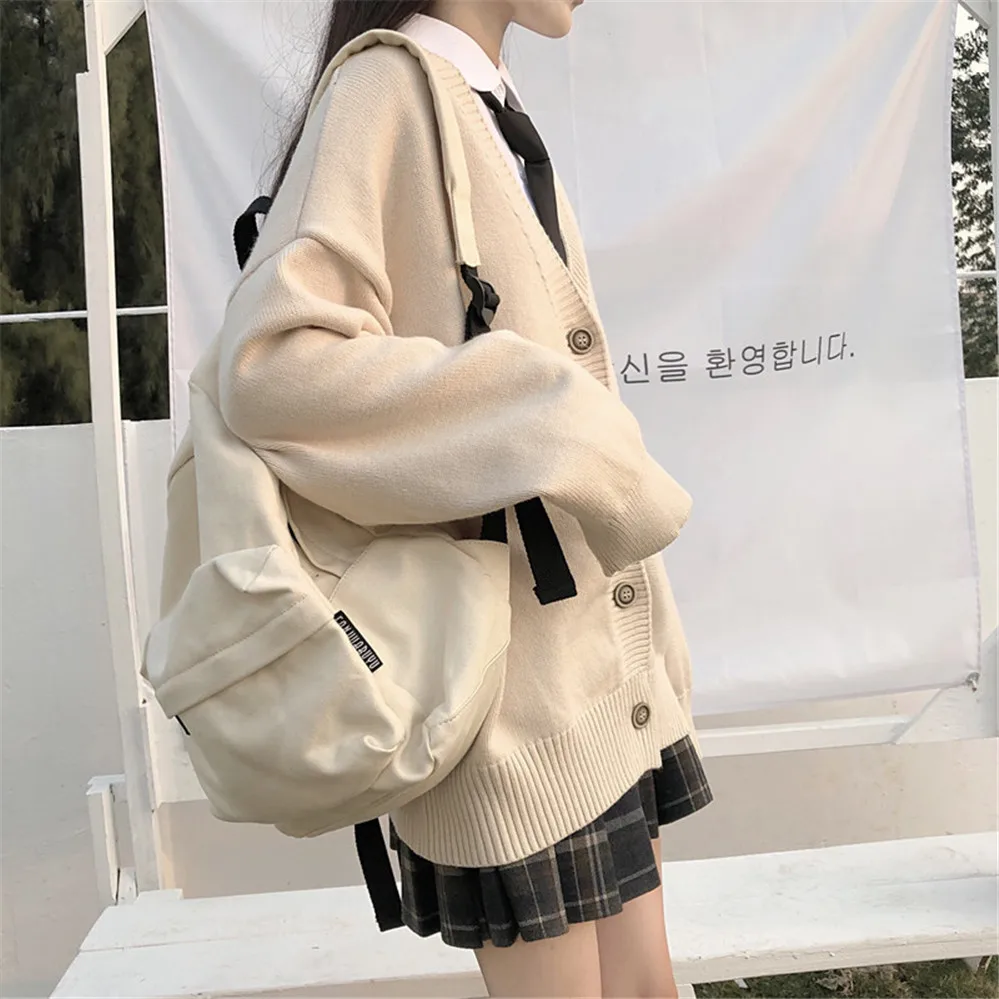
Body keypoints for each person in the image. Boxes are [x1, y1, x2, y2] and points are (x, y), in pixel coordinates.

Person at [221, 1, 713, 995]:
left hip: (597, 680)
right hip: (507, 709)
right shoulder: (386, 89)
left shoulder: (481, 100)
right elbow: (272, 368)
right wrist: (542, 414)